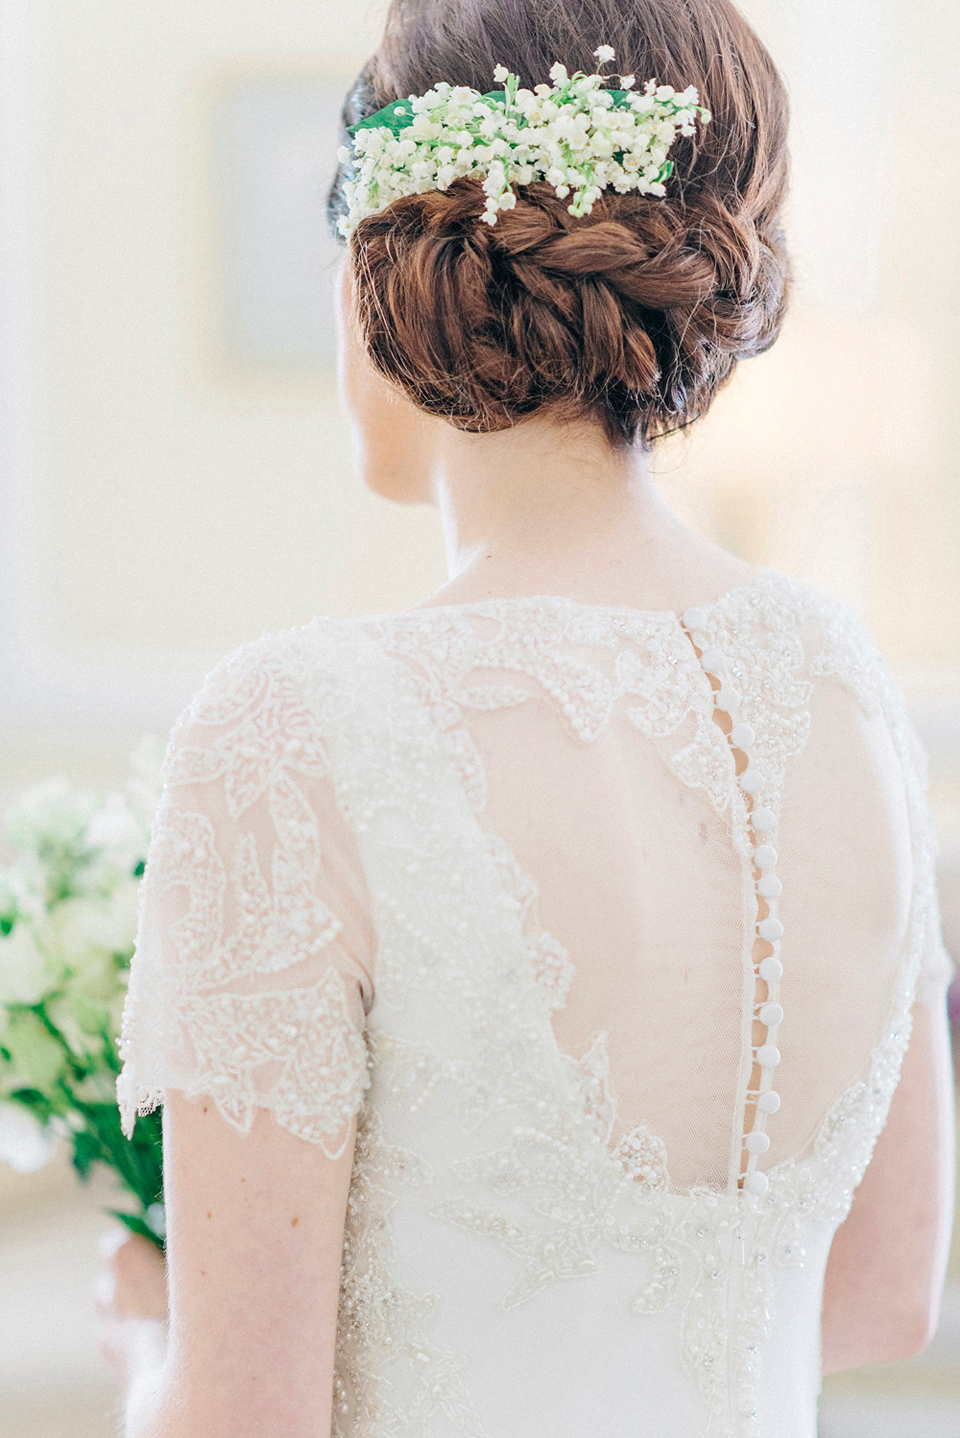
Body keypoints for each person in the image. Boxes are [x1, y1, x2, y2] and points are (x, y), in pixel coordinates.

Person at [93, 2, 956, 1435]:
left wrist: (146, 1363)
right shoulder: (846, 689)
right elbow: (883, 1295)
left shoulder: (295, 729)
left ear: (392, 257)